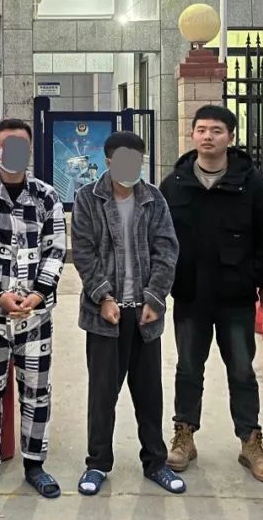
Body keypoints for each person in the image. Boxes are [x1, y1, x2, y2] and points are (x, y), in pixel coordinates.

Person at [160, 105, 263, 483]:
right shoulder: (174, 184)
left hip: (235, 298)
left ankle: (251, 441)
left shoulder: (252, 184)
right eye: (201, 130)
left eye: (216, 130)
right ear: (192, 135)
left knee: (241, 369)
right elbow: (159, 240)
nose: (208, 136)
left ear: (230, 136)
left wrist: (259, 280)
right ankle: (184, 436)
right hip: (191, 295)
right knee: (188, 367)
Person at [71, 131, 185, 496]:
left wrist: (154, 297)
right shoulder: (88, 198)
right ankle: (97, 464)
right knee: (102, 396)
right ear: (107, 162)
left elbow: (167, 250)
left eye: (137, 161)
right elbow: (84, 253)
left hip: (145, 316)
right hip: (104, 316)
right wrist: (104, 297)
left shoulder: (153, 199)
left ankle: (156, 462)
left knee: (149, 395)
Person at [0, 118, 66, 500]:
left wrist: (38, 294)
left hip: (36, 317)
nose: (14, 152)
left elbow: (56, 249)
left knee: (37, 393)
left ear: (30, 150)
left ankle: (35, 465)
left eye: (22, 146)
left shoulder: (47, 196)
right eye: (7, 145)